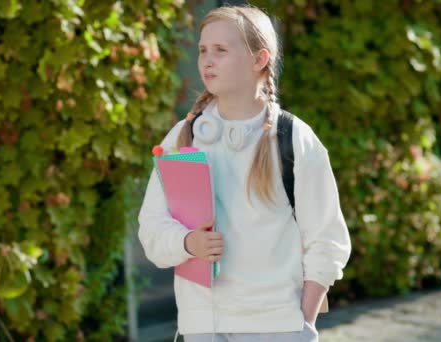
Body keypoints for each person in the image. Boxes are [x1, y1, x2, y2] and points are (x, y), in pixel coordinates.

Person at [138, 5, 351, 342]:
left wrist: (303, 323)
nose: (207, 60)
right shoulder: (184, 136)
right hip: (202, 327)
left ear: (259, 59)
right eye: (203, 50)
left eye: (221, 50)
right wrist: (187, 243)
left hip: (277, 328)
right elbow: (151, 229)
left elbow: (327, 241)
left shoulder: (292, 138)